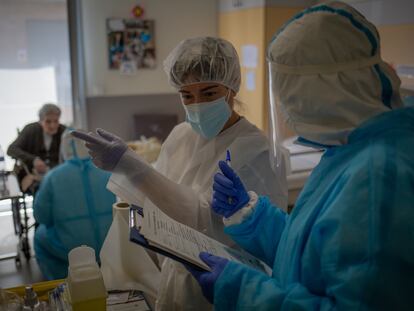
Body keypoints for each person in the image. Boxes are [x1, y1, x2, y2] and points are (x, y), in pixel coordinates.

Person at [187, 2, 414, 310]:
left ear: (325, 92)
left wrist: (244, 292)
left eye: (290, 97)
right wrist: (250, 216)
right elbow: (313, 250)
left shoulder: (379, 176)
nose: (285, 110)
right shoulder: (350, 151)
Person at [72, 37, 288, 310]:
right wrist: (126, 174)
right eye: (187, 95)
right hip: (175, 276)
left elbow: (204, 222)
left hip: (228, 282)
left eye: (209, 93)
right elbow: (150, 198)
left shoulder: (256, 149)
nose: (197, 104)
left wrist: (131, 165)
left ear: (232, 88)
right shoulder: (181, 134)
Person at [33, 130, 116, 280]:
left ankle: (61, 282)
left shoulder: (52, 177)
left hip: (71, 251)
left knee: (39, 235)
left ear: (63, 149)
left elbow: (41, 216)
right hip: (109, 246)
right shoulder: (107, 171)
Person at [7, 103, 66, 193]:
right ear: (40, 121)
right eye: (48, 121)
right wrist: (33, 160)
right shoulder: (30, 129)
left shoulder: (64, 131)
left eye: (56, 121)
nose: (53, 126)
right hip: (33, 174)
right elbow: (11, 149)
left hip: (57, 173)